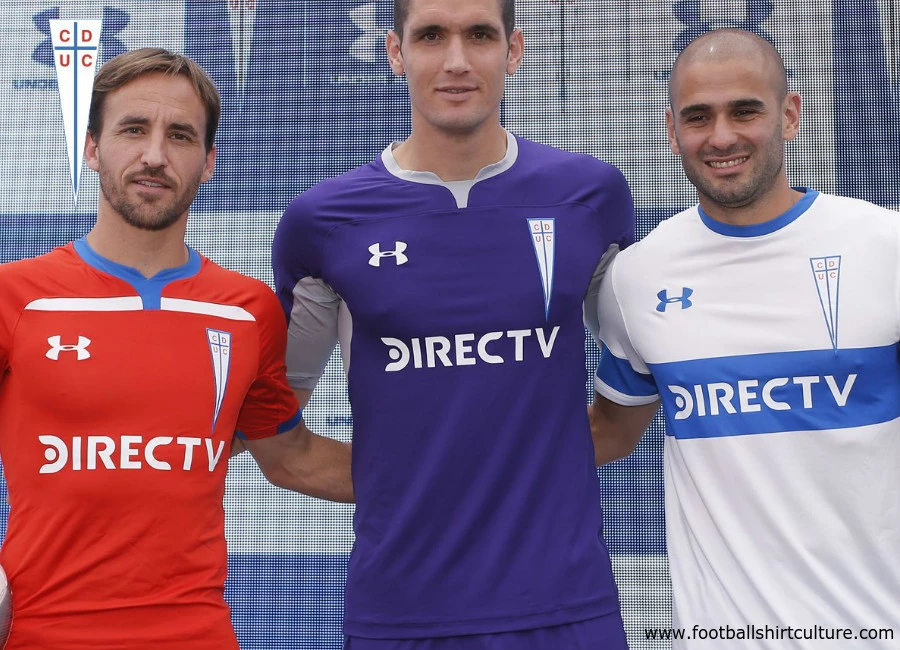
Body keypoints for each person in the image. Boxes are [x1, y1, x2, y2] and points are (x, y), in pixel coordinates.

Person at [272, 0, 635, 648]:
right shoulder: (323, 222)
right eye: (432, 35)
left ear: (513, 50)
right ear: (395, 52)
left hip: (567, 612)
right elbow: (281, 445)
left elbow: (621, 420)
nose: (457, 60)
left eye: (480, 35)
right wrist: (414, 480)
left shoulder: (589, 196)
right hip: (402, 618)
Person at [0, 48, 352, 650]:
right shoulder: (16, 297)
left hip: (196, 633)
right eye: (133, 129)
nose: (155, 155)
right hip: (43, 632)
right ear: (92, 148)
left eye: (181, 136)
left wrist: (469, 476)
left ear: (208, 162)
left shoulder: (247, 311)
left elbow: (292, 458)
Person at [590, 29, 900, 648]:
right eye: (698, 117)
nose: (722, 136)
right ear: (672, 130)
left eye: (745, 110)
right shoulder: (635, 278)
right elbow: (608, 433)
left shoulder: (885, 247)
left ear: (789, 114)